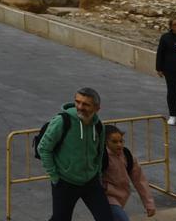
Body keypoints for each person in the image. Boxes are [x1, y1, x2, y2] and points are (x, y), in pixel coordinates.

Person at [36, 87, 110, 221]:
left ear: (97, 108)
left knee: (106, 217)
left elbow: (99, 153)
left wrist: (98, 174)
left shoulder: (99, 126)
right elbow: (44, 148)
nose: (80, 107)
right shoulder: (62, 121)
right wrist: (54, 176)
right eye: (78, 102)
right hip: (65, 181)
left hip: (91, 181)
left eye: (86, 104)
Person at [100, 124, 155, 219]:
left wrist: (149, 204)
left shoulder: (127, 155)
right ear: (105, 142)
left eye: (121, 141)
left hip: (121, 197)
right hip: (107, 197)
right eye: (114, 142)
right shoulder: (101, 157)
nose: (119, 145)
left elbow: (139, 180)